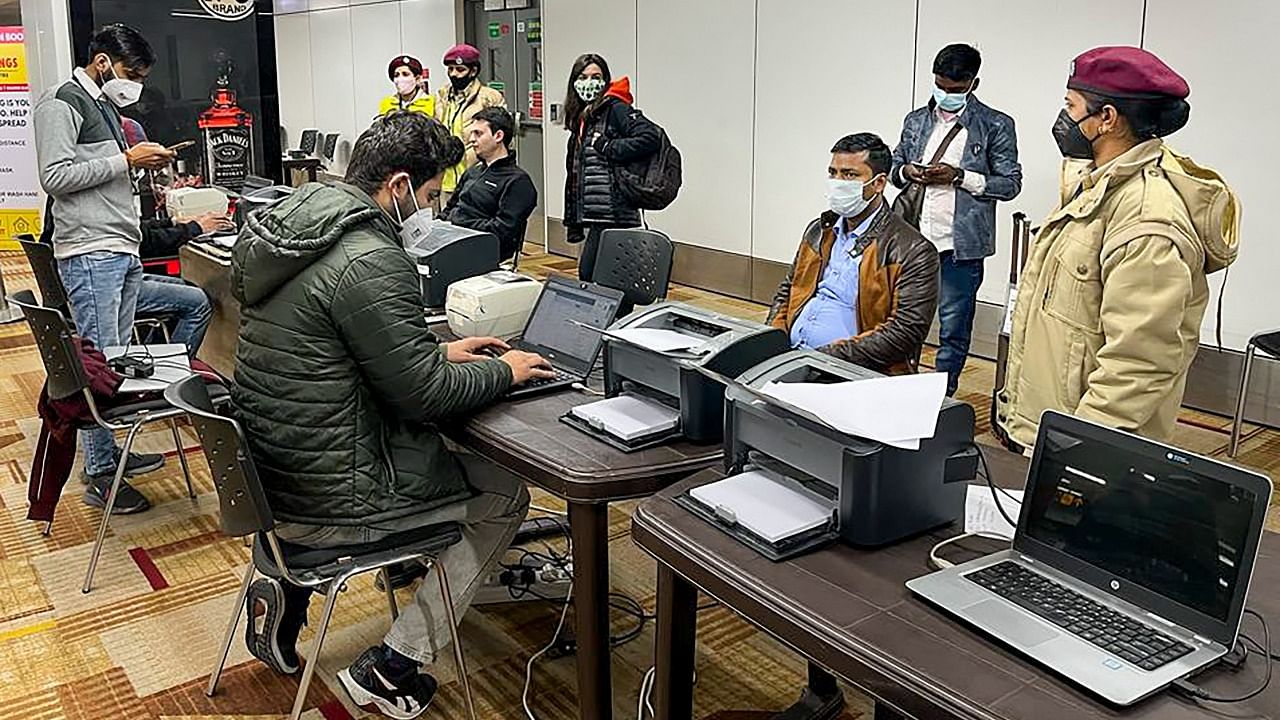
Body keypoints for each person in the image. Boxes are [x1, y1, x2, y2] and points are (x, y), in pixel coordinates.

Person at [230, 111, 554, 718]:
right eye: (431, 195)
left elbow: (333, 346)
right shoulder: (370, 257)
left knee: (448, 456)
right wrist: (504, 371)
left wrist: (436, 348)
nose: (432, 209)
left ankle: (284, 587)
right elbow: (422, 396)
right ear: (400, 185)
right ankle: (394, 664)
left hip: (276, 480)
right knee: (505, 494)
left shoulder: (292, 231)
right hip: (331, 497)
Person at [996, 46, 1238, 450]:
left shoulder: (1147, 219)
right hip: (1051, 430)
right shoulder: (1096, 188)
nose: (1064, 118)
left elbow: (1138, 364)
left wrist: (1072, 449)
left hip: (1087, 449)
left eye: (1071, 106)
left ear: (1106, 118)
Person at [33, 23, 175, 515]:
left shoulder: (104, 106)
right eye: (131, 73)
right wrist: (125, 159)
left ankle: (109, 454)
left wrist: (137, 164)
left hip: (118, 246)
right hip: (90, 249)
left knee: (114, 362)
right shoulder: (62, 101)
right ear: (102, 63)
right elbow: (54, 176)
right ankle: (99, 473)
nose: (135, 84)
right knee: (97, 367)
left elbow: (103, 169)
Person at [891, 43, 1022, 396]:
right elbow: (893, 166)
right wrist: (907, 171)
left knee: (954, 327)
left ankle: (941, 397)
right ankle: (900, 388)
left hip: (960, 247)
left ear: (973, 84)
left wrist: (959, 176)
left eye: (955, 89)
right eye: (940, 86)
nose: (946, 94)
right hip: (913, 240)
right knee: (905, 321)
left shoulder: (995, 125)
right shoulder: (916, 120)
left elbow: (1010, 184)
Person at [768, 133, 940, 376]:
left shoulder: (912, 250)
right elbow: (788, 291)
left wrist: (817, 360)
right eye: (833, 173)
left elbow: (904, 331)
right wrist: (772, 341)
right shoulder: (819, 230)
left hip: (850, 371)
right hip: (793, 357)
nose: (838, 182)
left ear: (879, 183)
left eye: (850, 175)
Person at [122, 114, 227, 357]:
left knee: (186, 287)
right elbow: (143, 241)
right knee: (198, 301)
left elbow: (135, 229)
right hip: (116, 281)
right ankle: (170, 371)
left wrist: (173, 222)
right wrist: (195, 229)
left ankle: (154, 357)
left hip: (113, 276)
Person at [562, 53, 660, 281]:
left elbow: (649, 137)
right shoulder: (584, 116)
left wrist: (607, 145)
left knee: (599, 279)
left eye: (596, 76)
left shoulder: (616, 109)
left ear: (605, 80)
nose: (589, 82)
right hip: (596, 213)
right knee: (593, 277)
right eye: (583, 77)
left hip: (613, 213)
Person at [440, 106, 537, 262]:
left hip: (483, 250)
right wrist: (436, 226)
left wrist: (458, 223)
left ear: (498, 136)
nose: (471, 139)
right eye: (471, 133)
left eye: (478, 134)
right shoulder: (472, 172)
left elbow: (502, 231)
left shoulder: (517, 182)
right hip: (454, 241)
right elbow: (450, 208)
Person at [433, 44, 505, 207]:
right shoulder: (442, 96)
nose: (454, 74)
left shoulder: (489, 97)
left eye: (460, 70)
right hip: (446, 175)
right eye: (450, 69)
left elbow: (502, 137)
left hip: (477, 173)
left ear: (473, 71)